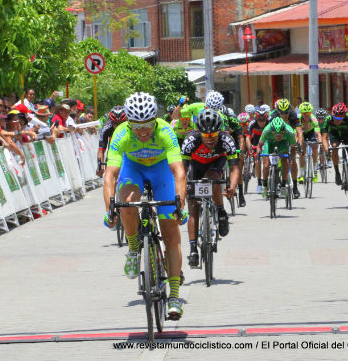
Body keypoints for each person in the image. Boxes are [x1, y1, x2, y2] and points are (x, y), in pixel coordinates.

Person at [103, 92, 187, 319]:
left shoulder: (166, 131)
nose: (142, 131)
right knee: (127, 203)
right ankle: (132, 247)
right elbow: (110, 175)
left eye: (148, 125)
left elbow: (179, 171)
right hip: (134, 170)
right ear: (129, 123)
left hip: (161, 171)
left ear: (155, 120)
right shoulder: (121, 134)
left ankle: (175, 296)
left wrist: (180, 203)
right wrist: (110, 208)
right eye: (137, 126)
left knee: (170, 231)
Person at [181, 109, 239, 266]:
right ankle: (193, 249)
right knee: (192, 206)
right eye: (206, 136)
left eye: (213, 135)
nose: (210, 139)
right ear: (199, 132)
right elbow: (182, 170)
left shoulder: (227, 140)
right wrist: (181, 189)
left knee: (212, 179)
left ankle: (220, 211)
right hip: (196, 165)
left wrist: (232, 187)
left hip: (216, 163)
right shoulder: (191, 140)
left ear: (219, 131)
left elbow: (235, 168)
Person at [270, 98, 302, 198]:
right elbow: (268, 131)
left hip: (290, 135)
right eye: (282, 113)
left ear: (289, 111)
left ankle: (295, 187)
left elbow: (299, 132)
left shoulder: (293, 115)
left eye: (286, 113)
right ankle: (274, 177)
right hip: (277, 136)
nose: (284, 115)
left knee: (292, 161)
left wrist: (299, 145)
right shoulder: (273, 116)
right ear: (278, 111)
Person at [257, 117, 296, 198]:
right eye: (276, 134)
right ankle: (264, 185)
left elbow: (292, 148)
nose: (278, 137)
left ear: (284, 131)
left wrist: (291, 158)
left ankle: (283, 185)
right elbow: (259, 146)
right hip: (269, 142)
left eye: (280, 134)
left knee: (285, 162)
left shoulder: (289, 131)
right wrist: (258, 154)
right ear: (272, 131)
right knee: (266, 165)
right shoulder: (267, 130)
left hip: (283, 143)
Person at [96, 105, 127, 177]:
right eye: (116, 124)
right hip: (114, 153)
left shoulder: (132, 126)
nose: (119, 126)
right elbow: (101, 149)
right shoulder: (107, 127)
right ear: (111, 122)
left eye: (121, 123)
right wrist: (100, 166)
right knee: (110, 177)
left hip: (130, 151)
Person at [321, 103, 348, 186]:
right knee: (334, 147)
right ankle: (337, 172)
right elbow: (324, 138)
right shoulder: (328, 119)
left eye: (340, 119)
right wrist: (327, 150)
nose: (337, 120)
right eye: (335, 118)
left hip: (346, 134)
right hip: (334, 134)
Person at [246, 107, 271, 193]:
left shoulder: (270, 122)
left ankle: (266, 181)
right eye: (259, 121)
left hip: (267, 140)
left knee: (266, 164)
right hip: (256, 141)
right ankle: (259, 183)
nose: (261, 123)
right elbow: (248, 138)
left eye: (263, 121)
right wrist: (250, 148)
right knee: (257, 162)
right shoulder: (252, 123)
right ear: (256, 119)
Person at [297, 102, 322, 184]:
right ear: (301, 113)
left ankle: (315, 170)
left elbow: (318, 133)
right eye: (304, 113)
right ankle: (301, 174)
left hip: (311, 133)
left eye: (308, 113)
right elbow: (296, 134)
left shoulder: (313, 118)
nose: (307, 115)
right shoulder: (298, 118)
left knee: (315, 148)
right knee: (302, 153)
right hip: (301, 134)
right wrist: (297, 142)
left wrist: (320, 141)